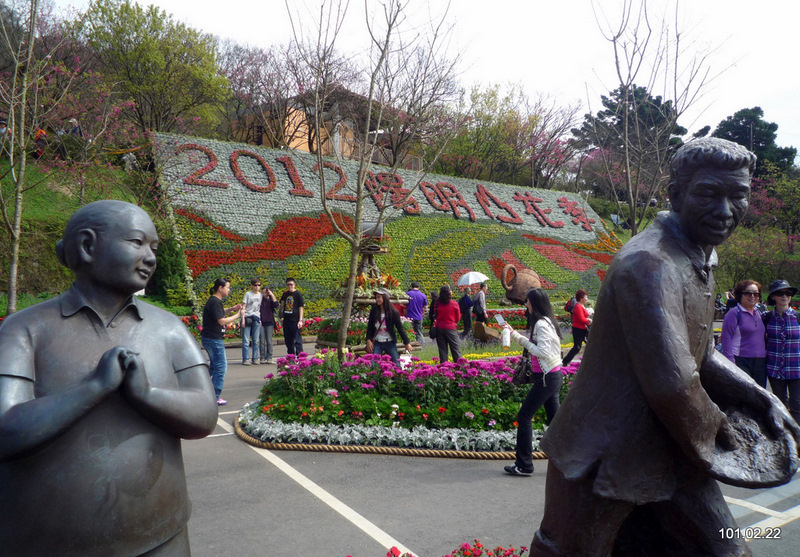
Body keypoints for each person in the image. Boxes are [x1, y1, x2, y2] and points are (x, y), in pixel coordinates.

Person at [530, 138, 800, 556]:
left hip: (672, 450)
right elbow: (672, 382)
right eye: (709, 194)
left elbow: (702, 353)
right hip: (607, 456)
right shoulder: (649, 263)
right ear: (676, 195)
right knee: (571, 551)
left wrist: (760, 398)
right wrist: (727, 441)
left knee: (728, 549)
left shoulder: (697, 258)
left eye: (739, 196)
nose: (726, 212)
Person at [0, 200, 219, 555]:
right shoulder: (25, 329)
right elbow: (5, 428)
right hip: (45, 542)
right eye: (137, 242)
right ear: (88, 246)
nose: (150, 257)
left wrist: (146, 394)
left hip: (163, 535)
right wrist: (93, 388)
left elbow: (205, 415)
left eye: (154, 247)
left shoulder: (169, 329)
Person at [501, 288, 563, 477]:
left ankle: (524, 464)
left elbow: (542, 352)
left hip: (546, 378)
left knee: (525, 416)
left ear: (534, 304)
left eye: (527, 301)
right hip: (551, 376)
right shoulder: (547, 321)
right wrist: (513, 332)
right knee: (556, 422)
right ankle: (566, 460)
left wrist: (519, 339)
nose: (525, 304)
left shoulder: (541, 325)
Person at [202, 277, 244, 405]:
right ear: (220, 288)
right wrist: (238, 315)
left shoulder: (215, 301)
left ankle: (202, 389)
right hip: (213, 339)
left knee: (214, 367)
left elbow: (219, 313)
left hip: (210, 338)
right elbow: (221, 320)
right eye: (228, 287)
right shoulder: (215, 301)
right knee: (221, 368)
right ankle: (214, 396)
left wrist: (231, 309)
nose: (229, 290)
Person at [764, 280, 800, 424]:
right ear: (773, 297)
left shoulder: (798, 317)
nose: (784, 296)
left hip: (796, 368)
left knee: (797, 405)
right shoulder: (766, 318)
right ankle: (784, 436)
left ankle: (797, 437)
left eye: (788, 293)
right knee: (780, 405)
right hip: (775, 368)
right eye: (780, 293)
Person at [720, 280, 767, 388]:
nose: (752, 296)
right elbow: (726, 338)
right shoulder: (734, 313)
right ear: (740, 294)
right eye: (748, 293)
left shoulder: (759, 313)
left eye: (756, 293)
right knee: (745, 395)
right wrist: (731, 363)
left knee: (760, 397)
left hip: (760, 362)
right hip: (741, 360)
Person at [365, 288, 413, 365]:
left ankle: (398, 376)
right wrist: (368, 340)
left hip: (389, 342)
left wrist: (407, 343)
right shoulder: (374, 311)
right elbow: (370, 326)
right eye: (376, 297)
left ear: (385, 298)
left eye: (379, 297)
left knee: (397, 364)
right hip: (377, 342)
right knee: (373, 364)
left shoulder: (393, 312)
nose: (377, 299)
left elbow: (400, 328)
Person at [561, 289, 591, 366]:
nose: (587, 298)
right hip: (578, 329)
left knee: (590, 345)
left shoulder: (582, 306)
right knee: (577, 347)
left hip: (583, 328)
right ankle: (565, 361)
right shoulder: (578, 306)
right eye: (586, 297)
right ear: (581, 298)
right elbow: (581, 319)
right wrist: (589, 321)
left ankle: (589, 361)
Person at [434, 285, 461, 362]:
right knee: (455, 349)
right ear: (449, 293)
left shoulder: (437, 303)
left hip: (439, 327)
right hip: (450, 328)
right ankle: (459, 366)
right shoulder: (454, 304)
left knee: (442, 350)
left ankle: (444, 368)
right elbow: (457, 318)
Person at [280, 277, 304, 355]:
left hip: (295, 320)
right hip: (287, 320)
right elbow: (282, 305)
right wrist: (281, 317)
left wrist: (300, 320)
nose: (290, 286)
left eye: (291, 284)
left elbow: (301, 307)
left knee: (297, 340)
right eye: (288, 285)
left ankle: (300, 356)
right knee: (288, 340)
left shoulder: (298, 294)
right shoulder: (285, 294)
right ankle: (291, 356)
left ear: (294, 285)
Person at [241, 278, 263, 365]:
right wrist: (242, 320)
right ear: (252, 285)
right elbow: (243, 307)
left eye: (259, 285)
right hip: (247, 317)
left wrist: (260, 319)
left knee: (256, 340)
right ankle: (246, 358)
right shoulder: (248, 294)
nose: (257, 287)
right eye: (255, 285)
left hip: (256, 318)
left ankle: (255, 358)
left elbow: (260, 308)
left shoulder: (260, 295)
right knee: (246, 340)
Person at [259, 285, 279, 364]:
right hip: (262, 322)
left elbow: (276, 305)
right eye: (263, 292)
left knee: (269, 341)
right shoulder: (260, 300)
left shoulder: (271, 300)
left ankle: (269, 357)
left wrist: (271, 294)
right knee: (262, 341)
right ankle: (262, 357)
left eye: (266, 292)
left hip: (269, 322)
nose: (265, 294)